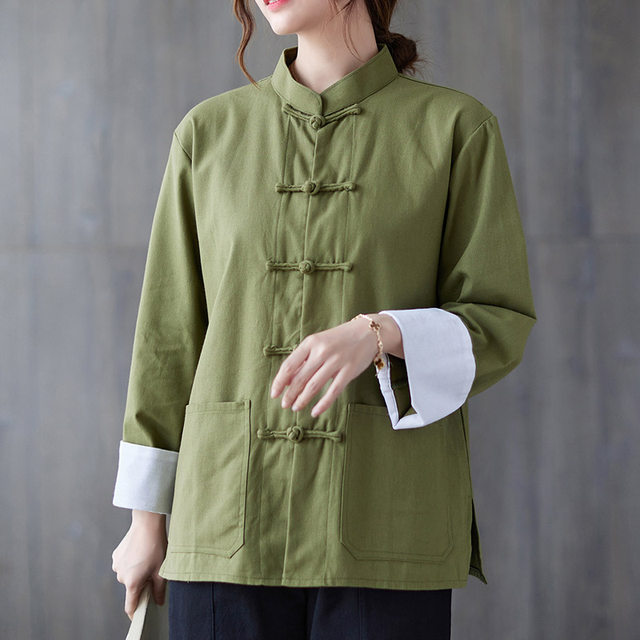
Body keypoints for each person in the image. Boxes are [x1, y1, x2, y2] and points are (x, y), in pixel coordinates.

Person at [111, 0, 537, 638]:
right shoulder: (208, 132)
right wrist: (147, 522)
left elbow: (497, 317)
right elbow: (168, 338)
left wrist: (380, 332)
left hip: (385, 518)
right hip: (224, 518)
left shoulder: (455, 128)